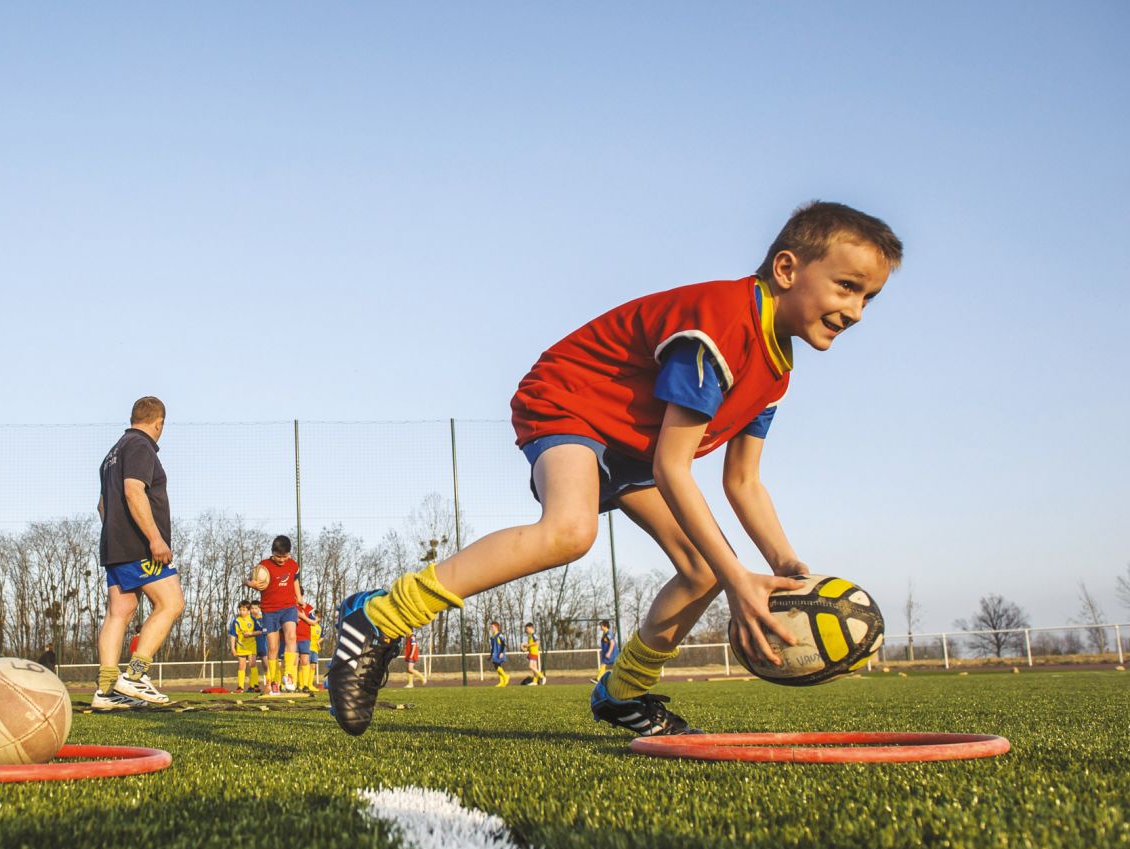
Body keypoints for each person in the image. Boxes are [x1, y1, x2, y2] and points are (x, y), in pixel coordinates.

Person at [327, 202, 902, 736]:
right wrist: (739, 583)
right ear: (786, 268)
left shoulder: (776, 370)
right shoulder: (724, 323)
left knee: (701, 569)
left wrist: (785, 566)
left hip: (634, 440)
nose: (855, 310)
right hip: (572, 400)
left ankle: (623, 693)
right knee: (570, 531)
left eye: (868, 298)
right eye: (846, 286)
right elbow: (675, 468)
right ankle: (379, 618)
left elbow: (743, 480)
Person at [93, 396, 186, 710]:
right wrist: (154, 539)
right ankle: (135, 676)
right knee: (171, 602)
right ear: (159, 422)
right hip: (138, 545)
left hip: (114, 545)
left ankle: (106, 690)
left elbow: (102, 506)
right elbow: (134, 490)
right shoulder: (140, 446)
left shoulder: (113, 452)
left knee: (119, 612)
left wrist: (116, 535)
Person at [246, 535, 303, 694]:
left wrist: (299, 598)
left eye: (285, 556)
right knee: (272, 646)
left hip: (288, 607)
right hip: (269, 610)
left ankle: (289, 675)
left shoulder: (293, 565)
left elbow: (295, 581)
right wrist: (251, 583)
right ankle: (273, 682)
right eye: (278, 556)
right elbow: (248, 579)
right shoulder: (263, 566)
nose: (282, 560)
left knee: (291, 636)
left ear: (289, 554)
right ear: (272, 553)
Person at [228, 599, 262, 691]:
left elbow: (260, 631)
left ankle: (254, 685)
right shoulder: (236, 621)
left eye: (244, 610)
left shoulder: (252, 619)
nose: (241, 612)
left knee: (252, 664)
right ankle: (240, 686)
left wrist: (251, 634)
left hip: (251, 646)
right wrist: (232, 648)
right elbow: (232, 635)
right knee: (241, 665)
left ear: (248, 611)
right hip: (241, 646)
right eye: (240, 610)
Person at [295, 600, 319, 694]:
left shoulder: (309, 608)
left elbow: (314, 622)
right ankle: (296, 685)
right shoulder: (290, 606)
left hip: (304, 638)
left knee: (305, 661)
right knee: (295, 662)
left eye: (297, 596)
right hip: (292, 638)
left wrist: (303, 617)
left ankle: (305, 685)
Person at [247, 600, 267, 691]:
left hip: (263, 644)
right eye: (252, 608)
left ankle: (270, 683)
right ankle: (254, 686)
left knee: (266, 664)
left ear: (260, 609)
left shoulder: (263, 619)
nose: (254, 610)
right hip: (252, 644)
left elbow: (264, 631)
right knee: (252, 664)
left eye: (256, 608)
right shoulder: (248, 620)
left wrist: (251, 633)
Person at [488, 621, 509, 688]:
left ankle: (506, 676)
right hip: (495, 653)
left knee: (496, 665)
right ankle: (502, 682)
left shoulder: (500, 635)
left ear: (496, 627)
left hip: (499, 652)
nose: (491, 628)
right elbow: (492, 647)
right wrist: (491, 655)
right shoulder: (492, 637)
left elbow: (503, 644)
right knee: (497, 666)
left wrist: (501, 652)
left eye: (492, 627)